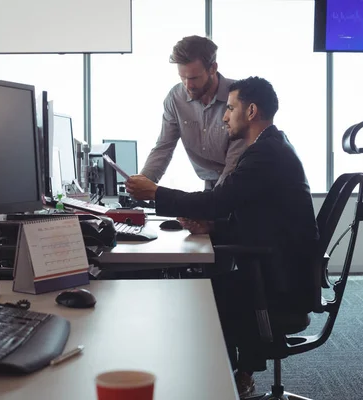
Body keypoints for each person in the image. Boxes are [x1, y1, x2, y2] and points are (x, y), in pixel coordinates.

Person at [126, 76, 319, 398]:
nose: (225, 116)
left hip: (279, 282)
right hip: (280, 269)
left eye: (230, 108)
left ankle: (220, 386)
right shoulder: (272, 146)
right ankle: (230, 379)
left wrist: (156, 192)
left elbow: (218, 201)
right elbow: (264, 222)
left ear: (252, 110)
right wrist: (213, 228)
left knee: (195, 296)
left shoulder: (265, 154)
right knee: (198, 285)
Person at [140, 35, 247, 190]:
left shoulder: (238, 98)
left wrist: (205, 208)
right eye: (182, 78)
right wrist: (142, 183)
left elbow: (233, 166)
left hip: (239, 184)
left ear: (213, 68)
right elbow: (164, 147)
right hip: (211, 187)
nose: (188, 85)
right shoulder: (176, 98)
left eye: (194, 78)